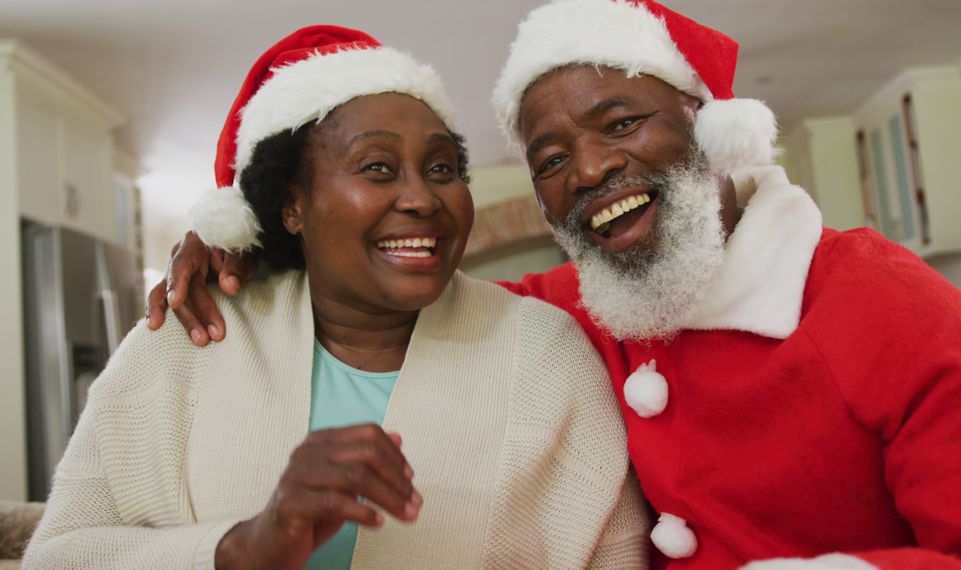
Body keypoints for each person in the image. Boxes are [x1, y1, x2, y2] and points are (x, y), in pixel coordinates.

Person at [150, 1, 961, 568]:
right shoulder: (568, 311)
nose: (588, 169)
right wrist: (247, 245)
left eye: (622, 122)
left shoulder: (882, 302)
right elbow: (392, 290)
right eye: (550, 157)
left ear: (710, 128)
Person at [24, 24, 648, 570]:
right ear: (293, 204)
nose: (423, 197)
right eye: (377, 167)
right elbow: (58, 555)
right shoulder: (193, 339)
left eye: (441, 169)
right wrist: (241, 550)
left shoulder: (544, 352)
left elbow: (616, 556)